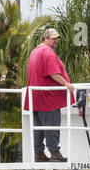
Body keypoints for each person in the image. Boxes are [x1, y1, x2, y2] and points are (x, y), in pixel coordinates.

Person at [25, 27, 73, 162]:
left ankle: (39, 152)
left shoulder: (35, 51)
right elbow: (53, 73)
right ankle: (55, 153)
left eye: (56, 38)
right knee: (52, 125)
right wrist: (66, 84)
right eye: (53, 39)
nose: (56, 41)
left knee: (38, 127)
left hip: (36, 97)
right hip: (48, 98)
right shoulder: (48, 52)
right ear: (46, 38)